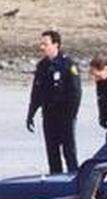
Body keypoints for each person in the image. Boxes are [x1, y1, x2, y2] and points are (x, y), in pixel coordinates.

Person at [26, 30, 81, 174]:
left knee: (69, 151)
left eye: (45, 44)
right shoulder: (42, 66)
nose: (42, 47)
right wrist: (31, 113)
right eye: (41, 44)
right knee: (52, 152)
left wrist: (71, 115)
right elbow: (36, 92)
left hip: (65, 116)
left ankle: (74, 179)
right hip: (49, 115)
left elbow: (75, 93)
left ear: (56, 45)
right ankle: (55, 180)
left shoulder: (68, 65)